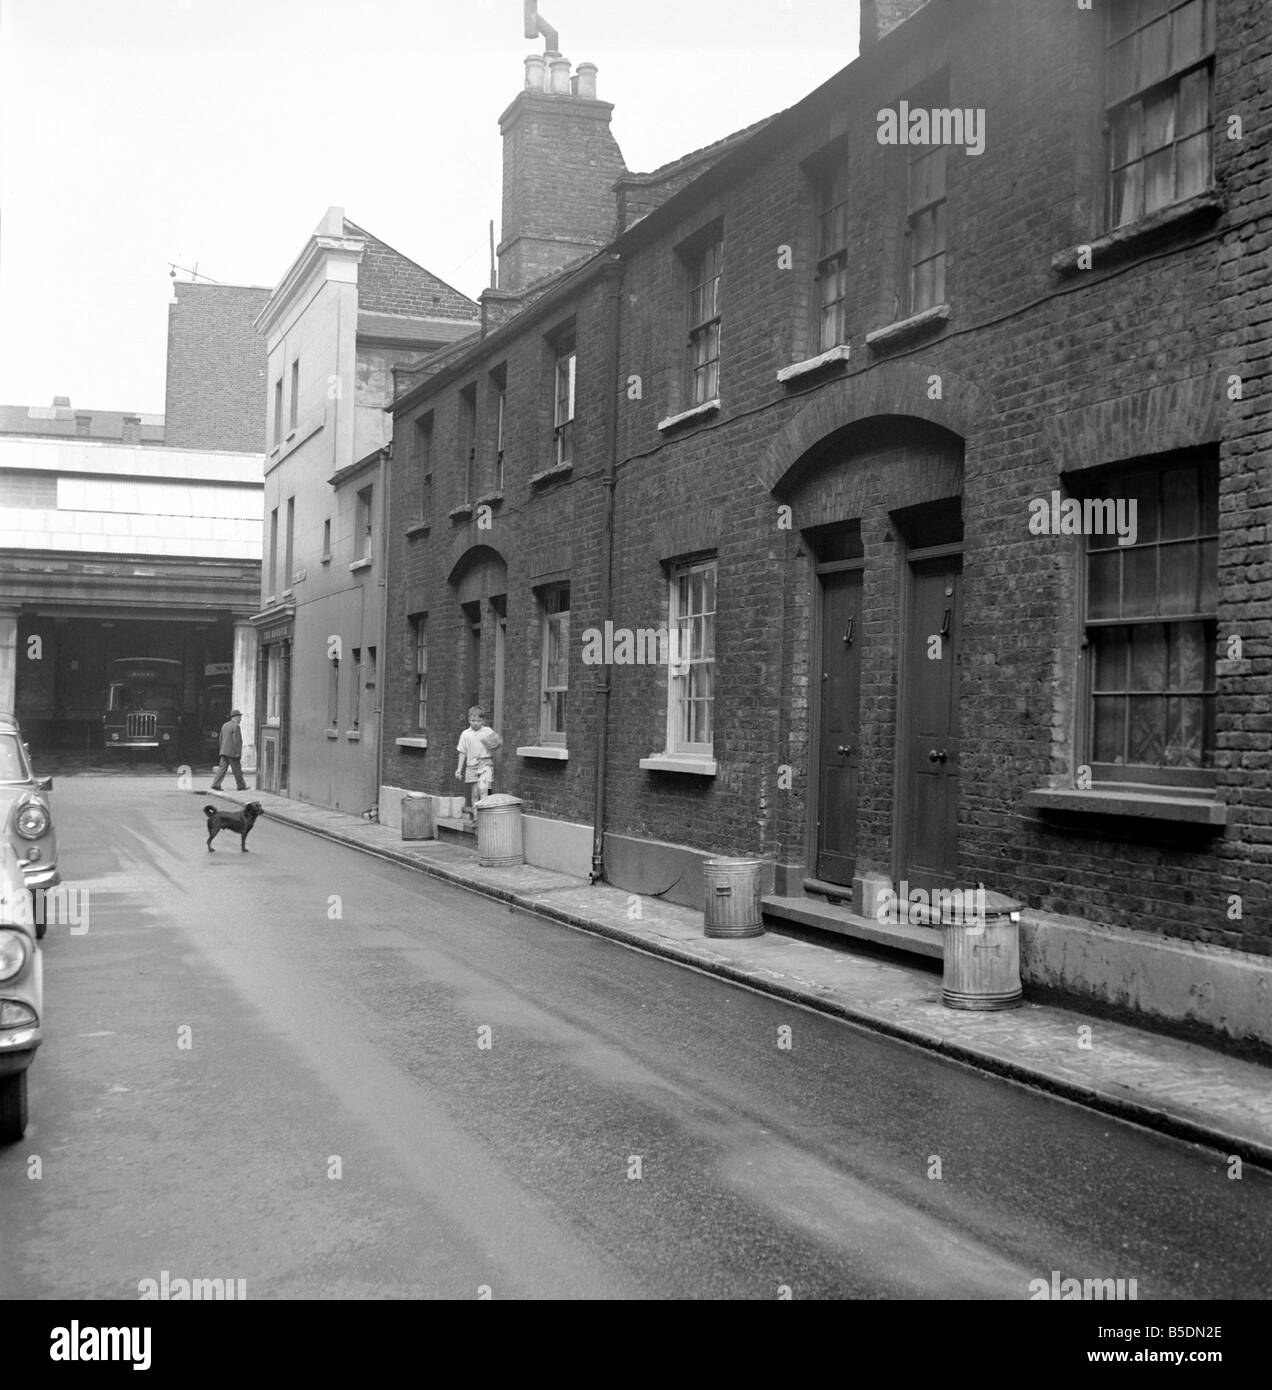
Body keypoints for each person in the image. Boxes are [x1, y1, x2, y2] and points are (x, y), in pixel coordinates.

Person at [455, 706, 498, 821]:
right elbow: (462, 752)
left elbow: (497, 745)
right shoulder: (465, 734)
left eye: (479, 721)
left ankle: (485, 817)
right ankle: (476, 817)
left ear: (483, 721)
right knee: (475, 793)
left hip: (485, 764)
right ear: (469, 720)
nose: (476, 723)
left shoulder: (487, 731)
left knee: (484, 790)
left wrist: (493, 745)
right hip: (471, 766)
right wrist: (459, 769)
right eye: (473, 721)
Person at [210, 710, 246, 791]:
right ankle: (241, 786)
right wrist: (238, 753)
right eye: (240, 717)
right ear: (237, 717)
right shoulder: (236, 726)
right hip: (233, 752)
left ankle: (215, 784)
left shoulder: (225, 725)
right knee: (237, 770)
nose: (241, 719)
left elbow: (220, 739)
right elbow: (237, 741)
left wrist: (222, 749)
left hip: (224, 751)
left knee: (222, 769)